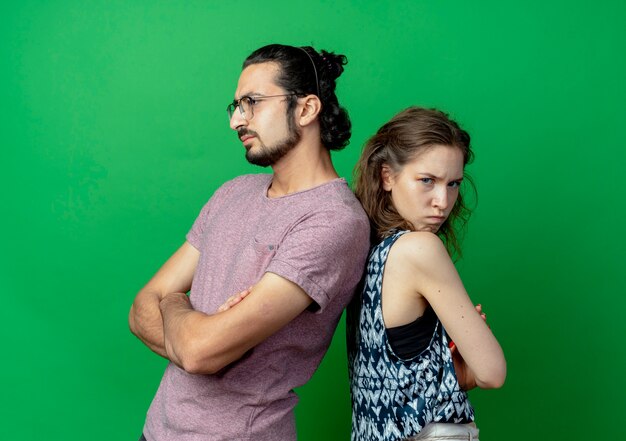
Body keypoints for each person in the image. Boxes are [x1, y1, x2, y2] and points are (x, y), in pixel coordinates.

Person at [128, 44, 370, 441]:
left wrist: (173, 303)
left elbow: (197, 352)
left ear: (307, 109)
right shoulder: (233, 193)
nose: (236, 120)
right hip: (158, 430)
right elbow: (142, 308)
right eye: (236, 106)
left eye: (252, 103)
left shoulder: (334, 222)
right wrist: (191, 329)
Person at [348, 107, 506, 441]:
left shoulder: (367, 254)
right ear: (387, 176)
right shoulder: (420, 249)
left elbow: (391, 373)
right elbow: (492, 373)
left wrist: (452, 374)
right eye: (427, 181)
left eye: (453, 184)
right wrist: (475, 365)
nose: (442, 201)